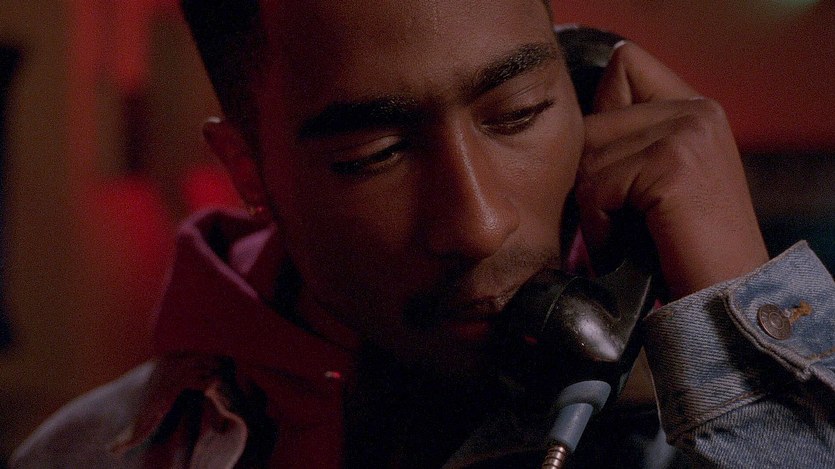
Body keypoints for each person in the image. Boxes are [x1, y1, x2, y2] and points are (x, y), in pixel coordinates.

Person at [10, 0, 835, 467]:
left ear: (582, 86)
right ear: (248, 170)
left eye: (520, 114)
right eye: (374, 155)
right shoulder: (84, 454)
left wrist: (747, 355)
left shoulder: (680, 421)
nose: (478, 223)